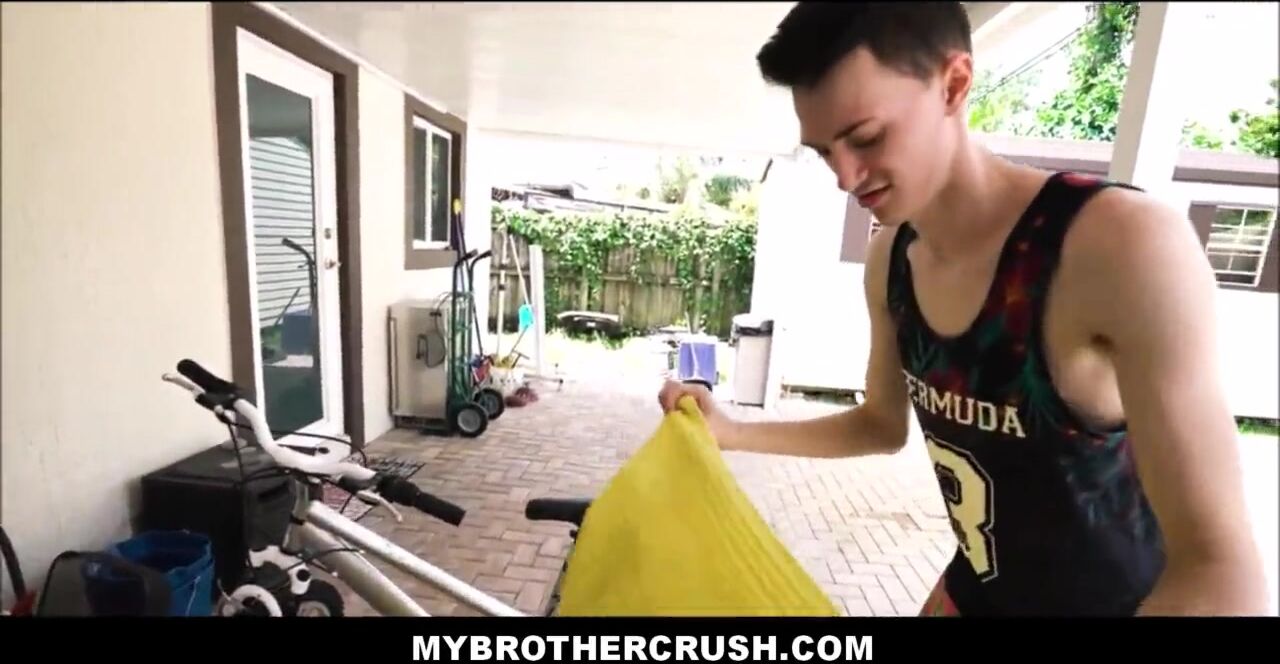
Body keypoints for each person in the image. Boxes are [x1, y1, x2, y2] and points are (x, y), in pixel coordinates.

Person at [659, 2, 1268, 617]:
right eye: (824, 151)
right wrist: (732, 432)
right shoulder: (891, 259)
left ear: (953, 85)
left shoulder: (1118, 245)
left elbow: (1222, 572)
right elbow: (881, 425)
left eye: (866, 138)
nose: (845, 176)